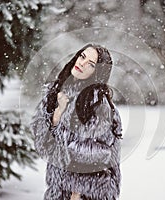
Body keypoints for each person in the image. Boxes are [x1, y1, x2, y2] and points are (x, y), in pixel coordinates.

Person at [31, 44, 123, 200]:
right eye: (82, 56)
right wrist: (57, 114)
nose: (82, 63)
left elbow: (95, 154)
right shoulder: (57, 92)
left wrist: (77, 192)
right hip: (58, 189)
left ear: (97, 72)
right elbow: (43, 144)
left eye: (91, 64)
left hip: (87, 194)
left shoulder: (97, 105)